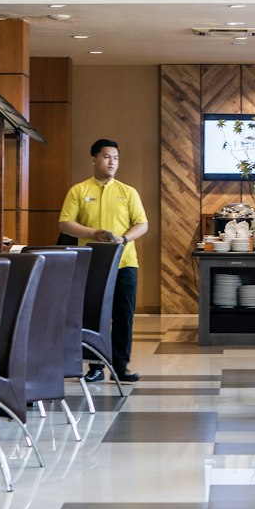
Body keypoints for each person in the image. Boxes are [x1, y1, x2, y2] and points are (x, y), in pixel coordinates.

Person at [58, 138, 149, 382]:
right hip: (91, 265)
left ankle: (120, 367)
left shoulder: (127, 192)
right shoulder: (79, 190)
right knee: (93, 317)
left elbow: (142, 224)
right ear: (94, 159)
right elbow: (65, 223)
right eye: (107, 156)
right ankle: (95, 367)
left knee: (123, 316)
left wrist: (124, 239)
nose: (112, 162)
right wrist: (91, 233)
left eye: (116, 158)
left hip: (124, 263)